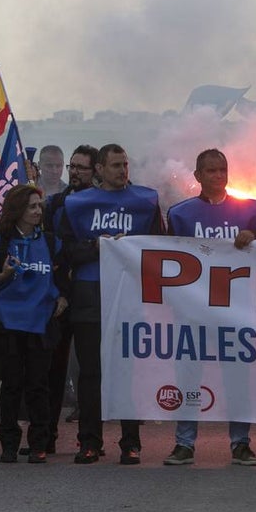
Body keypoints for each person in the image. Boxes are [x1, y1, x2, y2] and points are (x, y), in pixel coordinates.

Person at [60, 144, 164, 465]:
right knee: (91, 373)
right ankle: (89, 441)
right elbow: (64, 250)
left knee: (129, 371)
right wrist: (97, 246)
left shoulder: (146, 200)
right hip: (90, 294)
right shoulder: (76, 203)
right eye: (116, 165)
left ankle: (130, 442)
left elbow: (159, 247)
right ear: (100, 169)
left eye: (125, 164)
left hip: (131, 294)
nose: (122, 171)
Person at [162, 149, 256, 467]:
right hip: (193, 312)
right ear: (197, 176)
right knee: (189, 377)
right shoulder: (180, 214)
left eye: (223, 170)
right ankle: (184, 443)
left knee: (237, 379)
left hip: (235, 311)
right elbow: (168, 260)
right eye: (211, 171)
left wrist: (255, 237)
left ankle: (241, 443)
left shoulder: (250, 211)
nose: (219, 176)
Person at [0, 185, 69, 463]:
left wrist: (63, 297)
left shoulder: (53, 243)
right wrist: (6, 274)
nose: (38, 211)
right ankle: (9, 444)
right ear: (17, 210)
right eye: (32, 206)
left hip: (40, 324)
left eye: (39, 206)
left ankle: (39, 443)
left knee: (38, 386)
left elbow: (64, 278)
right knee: (12, 386)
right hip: (8, 324)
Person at [42, 145, 97, 452]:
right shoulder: (55, 204)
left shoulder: (102, 203)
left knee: (89, 370)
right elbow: (51, 246)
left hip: (92, 295)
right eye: (71, 167)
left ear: (95, 171)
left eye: (81, 167)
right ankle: (45, 436)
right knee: (53, 368)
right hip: (61, 295)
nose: (74, 172)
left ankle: (90, 440)